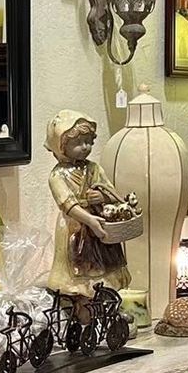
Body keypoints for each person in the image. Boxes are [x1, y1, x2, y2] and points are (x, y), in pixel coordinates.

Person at [44, 111, 131, 296]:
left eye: (89, 142)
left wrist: (102, 197)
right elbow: (67, 204)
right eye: (78, 143)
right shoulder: (57, 175)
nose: (85, 147)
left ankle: (104, 299)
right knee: (77, 266)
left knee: (106, 266)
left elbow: (111, 192)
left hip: (100, 225)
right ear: (61, 146)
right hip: (75, 227)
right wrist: (90, 220)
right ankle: (81, 304)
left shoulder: (93, 168)